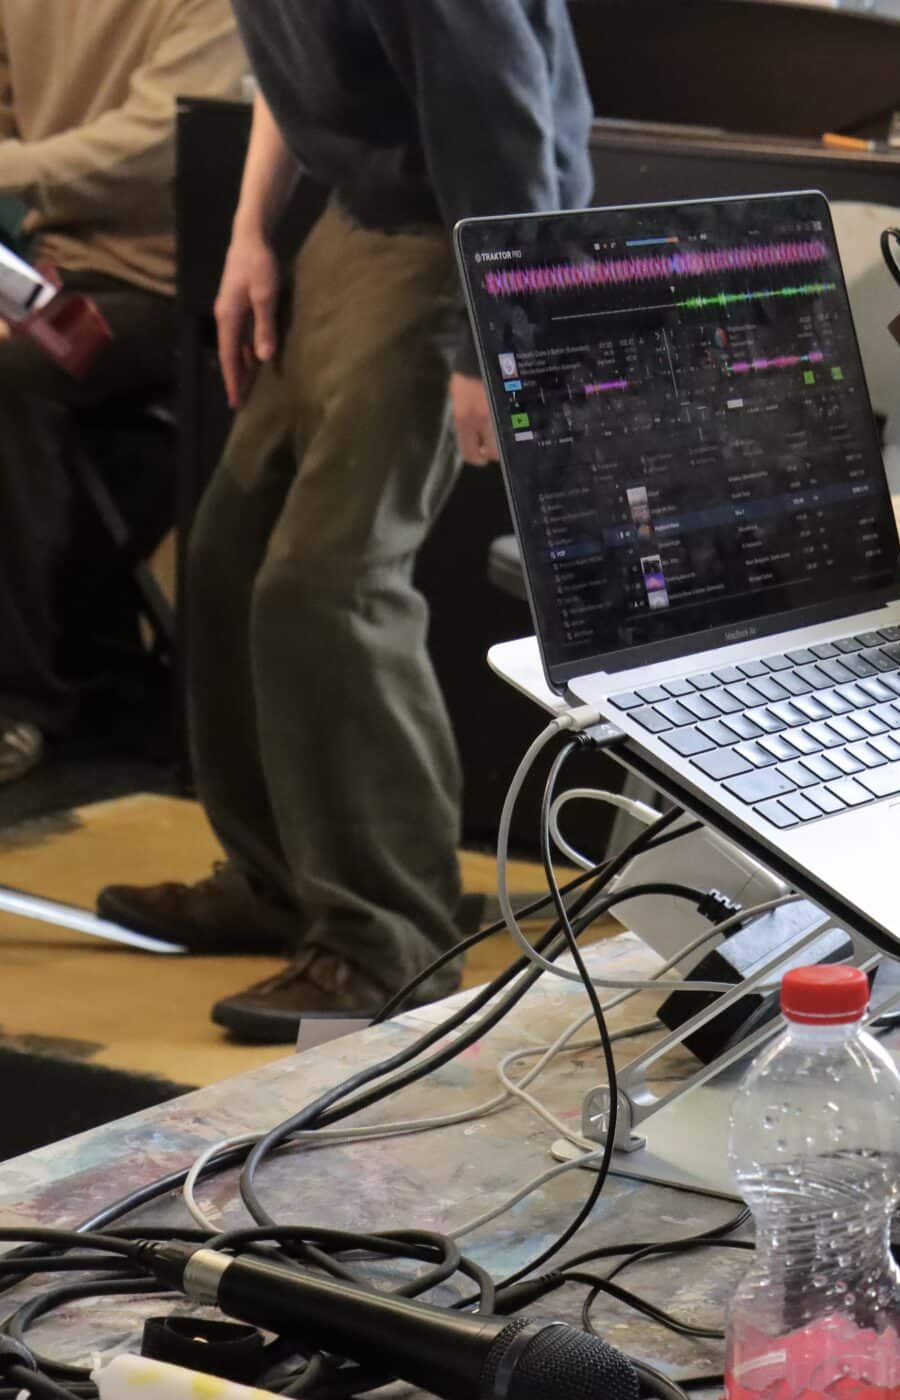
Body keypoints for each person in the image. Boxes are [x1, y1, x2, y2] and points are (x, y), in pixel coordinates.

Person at [95, 1, 592, 1043]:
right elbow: (291, 75)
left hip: (462, 231)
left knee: (327, 581)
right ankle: (279, 880)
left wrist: (488, 333)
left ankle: (387, 933)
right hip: (354, 213)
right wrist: (249, 236)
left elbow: (507, 133)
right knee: (227, 555)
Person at [0, 0, 246, 786]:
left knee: (13, 377)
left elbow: (155, 139)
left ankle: (17, 702)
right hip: (52, 267)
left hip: (172, 285)